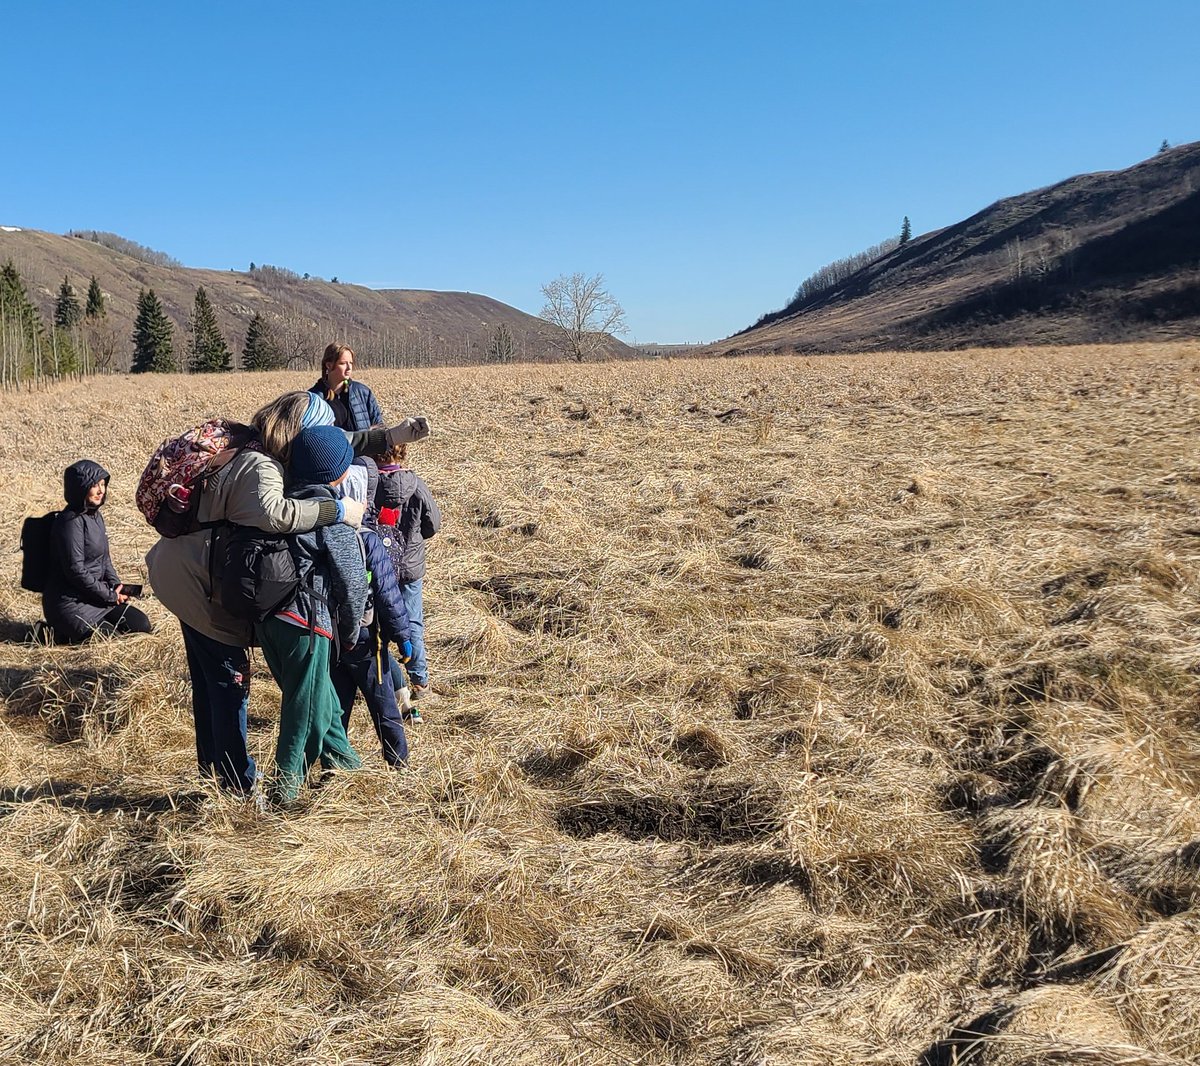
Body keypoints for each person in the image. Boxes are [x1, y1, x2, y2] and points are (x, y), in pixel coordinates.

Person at [256, 425, 367, 805]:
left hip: (269, 620)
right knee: (302, 715)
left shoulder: (284, 505)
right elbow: (352, 583)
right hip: (306, 623)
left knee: (322, 703)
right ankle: (283, 794)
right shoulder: (331, 516)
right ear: (337, 472)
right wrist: (350, 633)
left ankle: (349, 769)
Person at [330, 463, 413, 766]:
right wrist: (403, 636)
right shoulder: (368, 539)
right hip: (368, 638)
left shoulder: (322, 532)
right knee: (383, 704)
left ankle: (335, 763)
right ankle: (398, 762)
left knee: (337, 704)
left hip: (333, 634)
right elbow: (388, 594)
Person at [43, 460, 152, 644]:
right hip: (70, 603)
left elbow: (104, 560)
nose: (101, 491)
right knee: (110, 641)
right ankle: (53, 633)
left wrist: (116, 586)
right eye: (94, 485)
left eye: (103, 484)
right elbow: (75, 571)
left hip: (96, 597)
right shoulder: (69, 522)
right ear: (80, 487)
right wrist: (109, 595)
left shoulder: (96, 516)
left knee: (141, 625)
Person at [374, 438, 442, 707]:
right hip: (411, 567)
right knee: (412, 623)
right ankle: (420, 682)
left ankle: (380, 677)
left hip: (378, 567)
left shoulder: (369, 484)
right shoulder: (417, 485)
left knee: (376, 624)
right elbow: (433, 524)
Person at [310, 342, 384, 433]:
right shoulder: (313, 399)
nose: (349, 368)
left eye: (351, 363)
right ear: (328, 365)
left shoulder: (363, 393)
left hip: (363, 448)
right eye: (343, 363)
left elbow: (379, 428)